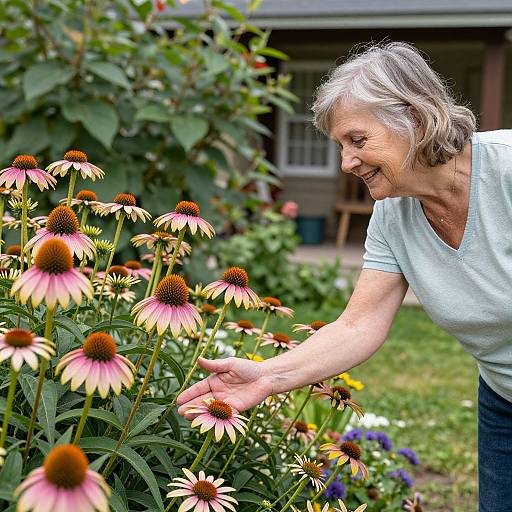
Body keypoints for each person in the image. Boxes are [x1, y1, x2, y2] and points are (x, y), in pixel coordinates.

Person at [177, 42, 512, 511]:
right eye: (340, 146)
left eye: (357, 140)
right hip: (504, 399)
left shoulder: (506, 170)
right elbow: (358, 326)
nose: (346, 163)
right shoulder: (392, 218)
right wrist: (267, 375)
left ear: (413, 119)